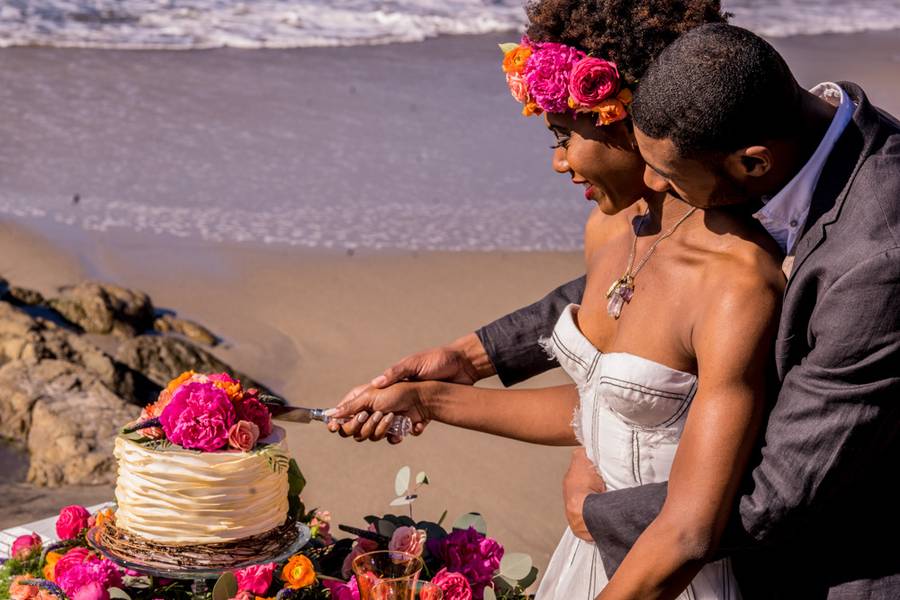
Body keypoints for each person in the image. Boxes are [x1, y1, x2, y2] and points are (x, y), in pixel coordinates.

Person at [339, 23, 900, 598]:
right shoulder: (775, 127)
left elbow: (776, 492)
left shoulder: (876, 261)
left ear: (752, 165)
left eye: (671, 175)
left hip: (833, 559)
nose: (652, 184)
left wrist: (597, 510)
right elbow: (641, 287)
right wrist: (467, 361)